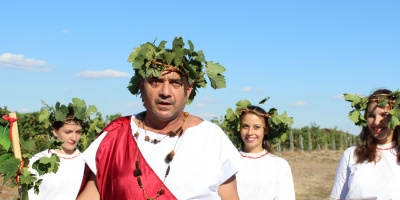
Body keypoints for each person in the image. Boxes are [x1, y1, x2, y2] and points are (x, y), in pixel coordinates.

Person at [77, 37, 242, 200]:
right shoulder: (115, 137)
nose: (165, 92)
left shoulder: (211, 137)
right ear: (141, 86)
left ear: (188, 89)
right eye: (155, 81)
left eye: (175, 83)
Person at [330, 89, 400, 199]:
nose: (377, 122)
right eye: (371, 115)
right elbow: (337, 197)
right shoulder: (351, 155)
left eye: (384, 115)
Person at [233, 105, 295, 200]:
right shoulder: (228, 162)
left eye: (256, 127)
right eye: (245, 126)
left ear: (266, 130)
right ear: (239, 128)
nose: (250, 132)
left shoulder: (279, 165)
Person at [28, 111, 85, 200]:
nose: (74, 138)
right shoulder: (37, 160)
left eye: (78, 132)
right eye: (68, 132)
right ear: (54, 131)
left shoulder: (86, 162)